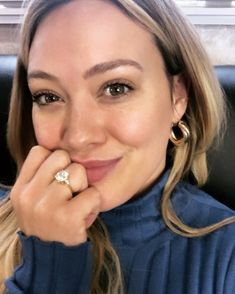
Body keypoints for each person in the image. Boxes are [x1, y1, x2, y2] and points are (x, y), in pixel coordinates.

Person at [0, 0, 235, 293]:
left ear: (177, 98)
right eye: (48, 96)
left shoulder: (227, 256)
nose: (78, 137)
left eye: (116, 88)